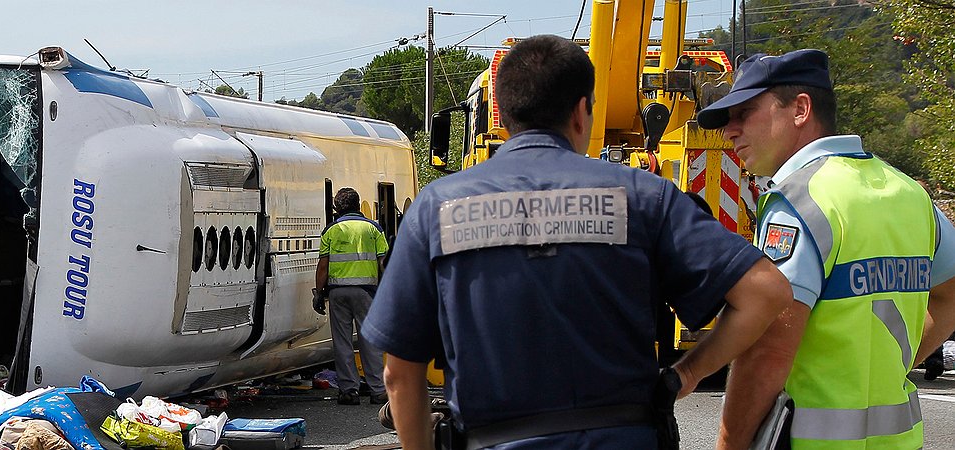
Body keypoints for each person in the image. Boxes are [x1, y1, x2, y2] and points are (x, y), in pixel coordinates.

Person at [360, 34, 794, 450]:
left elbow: (399, 372)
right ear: (581, 111)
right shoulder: (644, 197)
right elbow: (765, 291)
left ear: (504, 115)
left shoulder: (436, 209)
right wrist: (688, 373)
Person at [702, 49, 955, 449]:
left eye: (744, 112)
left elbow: (767, 350)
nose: (729, 130)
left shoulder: (798, 202)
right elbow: (950, 295)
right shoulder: (909, 193)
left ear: (800, 109)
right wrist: (891, 366)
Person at [314, 187, 390, 405]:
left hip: (338, 293)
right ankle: (377, 390)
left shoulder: (331, 230)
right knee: (370, 342)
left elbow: (323, 267)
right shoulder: (373, 229)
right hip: (367, 293)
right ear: (358, 204)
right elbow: (383, 263)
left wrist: (319, 293)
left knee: (342, 342)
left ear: (337, 207)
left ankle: (349, 391)